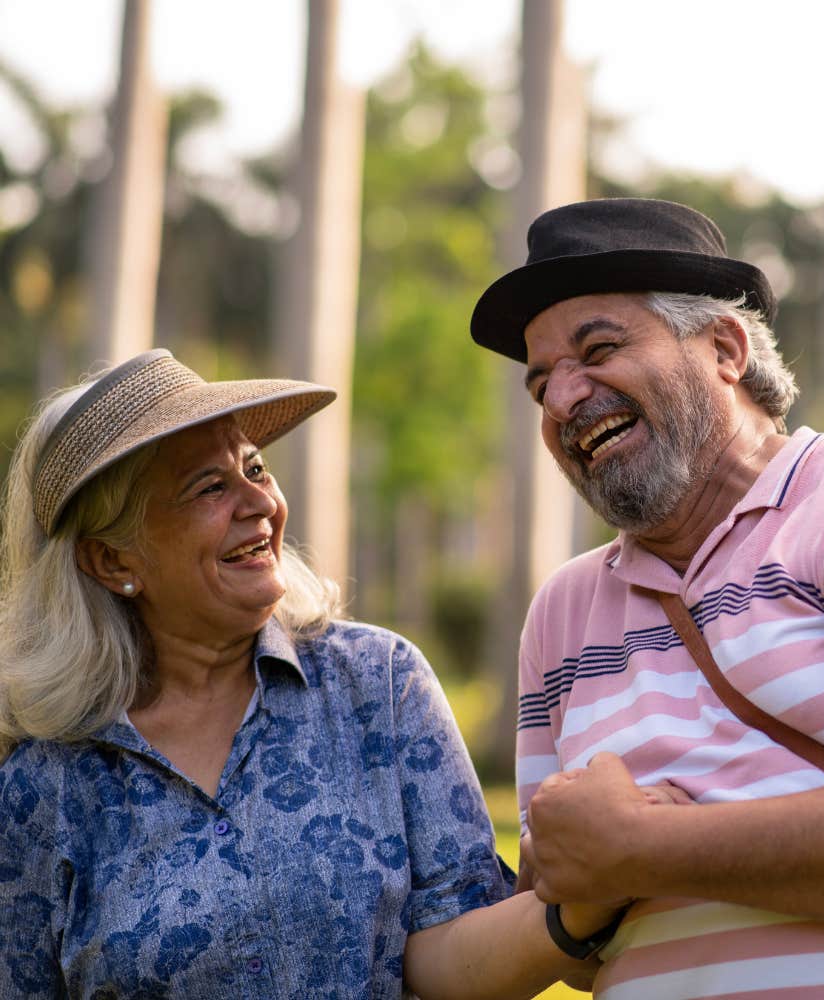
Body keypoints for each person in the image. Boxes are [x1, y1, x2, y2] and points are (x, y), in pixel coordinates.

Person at [0, 348, 587, 998]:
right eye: (210, 487)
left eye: (255, 468)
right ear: (111, 561)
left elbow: (462, 945)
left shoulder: (380, 686)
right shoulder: (41, 790)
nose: (261, 501)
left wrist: (586, 902)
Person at [469, 197, 824, 997]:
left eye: (598, 349)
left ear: (724, 347)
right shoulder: (564, 611)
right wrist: (589, 867)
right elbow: (568, 899)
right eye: (541, 384)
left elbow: (611, 852)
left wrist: (645, 843)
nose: (564, 400)